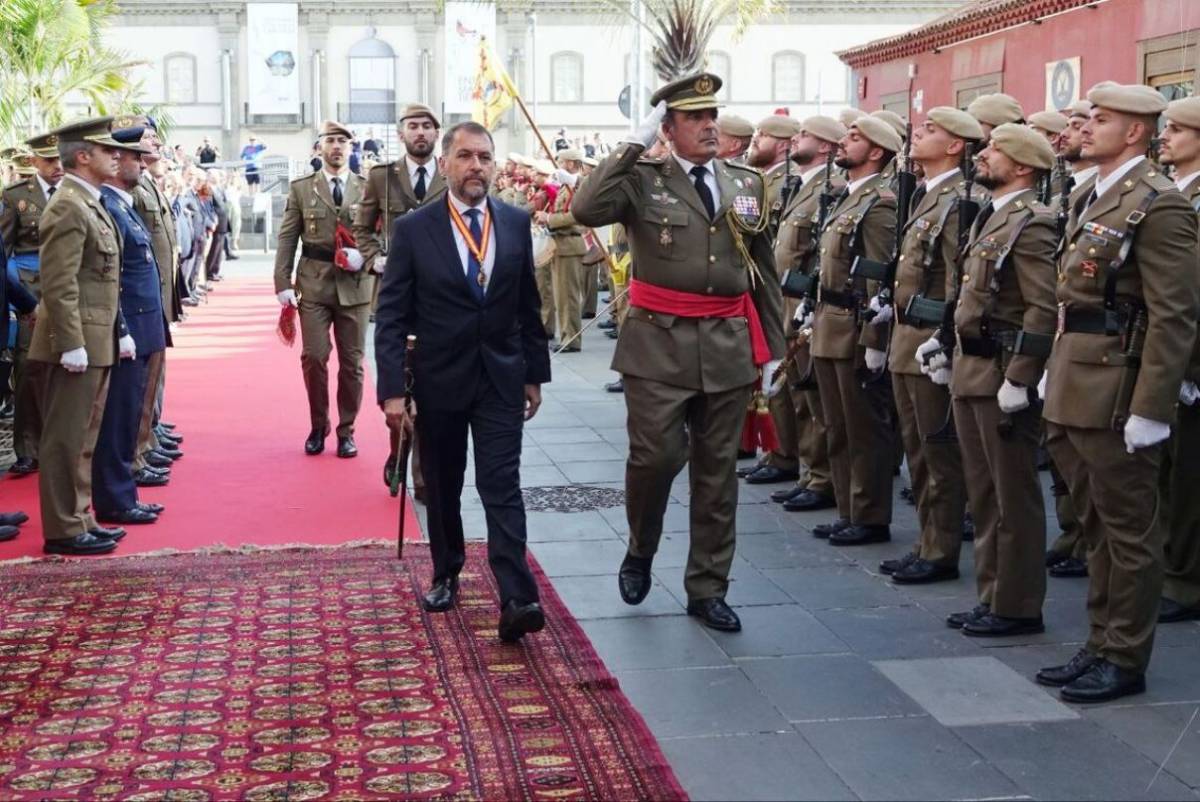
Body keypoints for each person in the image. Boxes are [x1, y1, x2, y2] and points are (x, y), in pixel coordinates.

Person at [572, 73, 785, 632]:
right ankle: (641, 548)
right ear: (667, 128)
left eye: (712, 114)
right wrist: (636, 144)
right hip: (658, 344)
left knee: (719, 475)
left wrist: (775, 346)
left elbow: (762, 268)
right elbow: (586, 207)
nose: (709, 124)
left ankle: (708, 588)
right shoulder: (642, 179)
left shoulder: (746, 183)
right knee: (657, 458)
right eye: (694, 117)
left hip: (727, 345)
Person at [1039, 83, 1198, 703]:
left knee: (1130, 529)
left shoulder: (1157, 204)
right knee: (1096, 524)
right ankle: (1101, 639)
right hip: (1076, 373)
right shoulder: (1095, 193)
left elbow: (1174, 313)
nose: (1086, 128)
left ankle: (1125, 654)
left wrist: (1151, 408)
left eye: (1100, 120)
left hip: (1117, 383)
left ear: (1134, 132)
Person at [375, 120, 550, 642]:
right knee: (444, 485)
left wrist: (534, 374)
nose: (478, 166)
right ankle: (446, 570)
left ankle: (517, 595)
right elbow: (391, 317)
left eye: (486, 157)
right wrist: (391, 392)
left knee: (502, 485)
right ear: (447, 164)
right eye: (467, 156)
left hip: (500, 377)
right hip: (438, 380)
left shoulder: (515, 223)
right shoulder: (414, 229)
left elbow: (527, 306)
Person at [942, 124, 1059, 635]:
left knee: (1013, 495)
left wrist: (1022, 376)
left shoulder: (1031, 222)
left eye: (995, 150)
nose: (983, 155)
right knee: (984, 492)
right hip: (972, 369)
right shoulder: (992, 216)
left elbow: (1040, 307)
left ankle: (1018, 604)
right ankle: (992, 594)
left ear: (1024, 167)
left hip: (1000, 373)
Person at [874, 107, 982, 581]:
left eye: (932, 130)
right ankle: (926, 541)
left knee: (939, 451)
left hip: (929, 340)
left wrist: (946, 340)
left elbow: (960, 281)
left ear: (956, 145)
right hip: (905, 337)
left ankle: (940, 550)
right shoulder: (924, 195)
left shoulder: (959, 201)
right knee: (917, 450)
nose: (919, 134)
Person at [29, 116, 139, 556]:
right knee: (65, 438)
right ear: (81, 156)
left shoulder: (86, 201)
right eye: (106, 149)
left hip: (96, 338)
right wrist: (69, 341)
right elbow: (60, 283)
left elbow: (102, 281)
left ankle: (80, 517)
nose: (116, 155)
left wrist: (117, 332)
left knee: (85, 437)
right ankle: (62, 529)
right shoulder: (68, 205)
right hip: (75, 342)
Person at [354, 103, 447, 497]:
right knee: (399, 392)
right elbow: (362, 227)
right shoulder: (381, 177)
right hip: (398, 292)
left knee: (428, 392)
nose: (420, 132)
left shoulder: (450, 173)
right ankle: (397, 452)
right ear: (402, 134)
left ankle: (423, 478)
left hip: (441, 295)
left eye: (427, 126)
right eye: (413, 126)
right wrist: (376, 260)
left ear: (436, 134)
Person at [763, 115, 847, 513]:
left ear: (827, 146)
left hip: (803, 303)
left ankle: (821, 476)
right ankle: (806, 470)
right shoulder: (803, 186)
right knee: (794, 389)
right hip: (784, 300)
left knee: (811, 395)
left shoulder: (831, 189)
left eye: (806, 135)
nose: (795, 139)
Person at [274, 120, 371, 459]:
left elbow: (386, 231)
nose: (337, 147)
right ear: (319, 148)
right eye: (331, 140)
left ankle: (347, 430)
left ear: (351, 148)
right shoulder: (303, 188)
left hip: (356, 285)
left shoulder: (369, 186)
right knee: (314, 356)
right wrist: (282, 283)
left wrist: (368, 256)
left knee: (353, 363)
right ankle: (319, 425)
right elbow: (288, 236)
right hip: (314, 282)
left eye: (344, 141)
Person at [93, 124, 166, 526]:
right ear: (116, 160)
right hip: (128, 330)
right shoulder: (110, 205)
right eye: (137, 156)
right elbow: (113, 279)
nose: (143, 162)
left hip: (140, 327)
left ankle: (123, 494)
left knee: (126, 414)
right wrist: (121, 329)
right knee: (118, 418)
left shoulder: (122, 205)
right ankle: (116, 499)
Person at [1153, 96, 1200, 625]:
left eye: (1179, 130)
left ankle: (1185, 580)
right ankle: (1169, 564)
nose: (1166, 137)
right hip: (1166, 350)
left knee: (1187, 473)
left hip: (1192, 355)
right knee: (1163, 469)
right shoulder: (1170, 194)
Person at [1, 131, 62, 477]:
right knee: (29, 369)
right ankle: (28, 447)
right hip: (28, 290)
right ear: (34, 161)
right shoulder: (16, 197)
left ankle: (61, 441)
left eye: (59, 159)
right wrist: (13, 300)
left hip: (65, 288)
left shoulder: (75, 193)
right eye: (49, 160)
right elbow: (3, 250)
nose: (56, 166)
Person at [535, 148, 587, 352]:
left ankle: (571, 339)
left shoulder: (579, 186)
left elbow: (576, 215)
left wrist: (550, 219)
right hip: (560, 245)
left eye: (562, 162)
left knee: (568, 297)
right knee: (559, 296)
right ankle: (565, 335)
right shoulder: (566, 187)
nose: (559, 166)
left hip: (570, 245)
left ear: (572, 164)